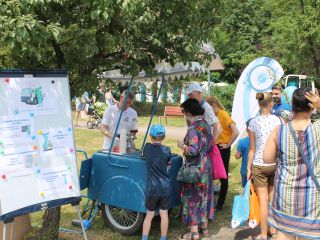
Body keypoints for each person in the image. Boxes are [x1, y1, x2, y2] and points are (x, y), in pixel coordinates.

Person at [264, 88, 320, 240]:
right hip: (311, 195)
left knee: (283, 232)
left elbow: (267, 159)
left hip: (285, 192)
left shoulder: (279, 130)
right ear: (312, 105)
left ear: (292, 105)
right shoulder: (317, 129)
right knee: (306, 235)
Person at [177, 98, 214, 240]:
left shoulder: (193, 128)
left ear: (188, 112)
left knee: (192, 198)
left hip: (195, 169)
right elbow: (210, 144)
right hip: (206, 166)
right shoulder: (205, 124)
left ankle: (193, 233)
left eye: (183, 112)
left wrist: (182, 146)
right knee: (204, 196)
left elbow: (193, 150)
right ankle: (204, 229)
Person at [247, 92, 281, 240]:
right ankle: (273, 230)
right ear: (271, 104)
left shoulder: (253, 123)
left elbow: (252, 148)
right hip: (274, 163)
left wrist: (248, 168)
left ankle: (262, 234)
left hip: (259, 165)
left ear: (259, 104)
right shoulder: (278, 121)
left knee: (263, 201)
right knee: (272, 199)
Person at [206, 96, 239, 211]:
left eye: (210, 109)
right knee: (210, 174)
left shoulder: (223, 114)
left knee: (223, 177)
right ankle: (209, 201)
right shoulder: (210, 116)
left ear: (215, 105)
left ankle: (220, 204)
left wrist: (228, 144)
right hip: (214, 148)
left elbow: (236, 131)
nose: (209, 112)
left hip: (222, 149)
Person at [141, 124, 171, 240]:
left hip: (152, 189)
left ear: (150, 137)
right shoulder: (166, 150)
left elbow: (144, 156)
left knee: (149, 215)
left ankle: (144, 238)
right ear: (164, 137)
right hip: (165, 188)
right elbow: (169, 165)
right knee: (164, 214)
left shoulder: (147, 148)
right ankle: (163, 238)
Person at [235, 119, 251, 188]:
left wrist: (236, 155)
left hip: (245, 170)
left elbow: (237, 156)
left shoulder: (242, 141)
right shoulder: (261, 141)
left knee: (245, 189)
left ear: (247, 129)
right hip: (257, 170)